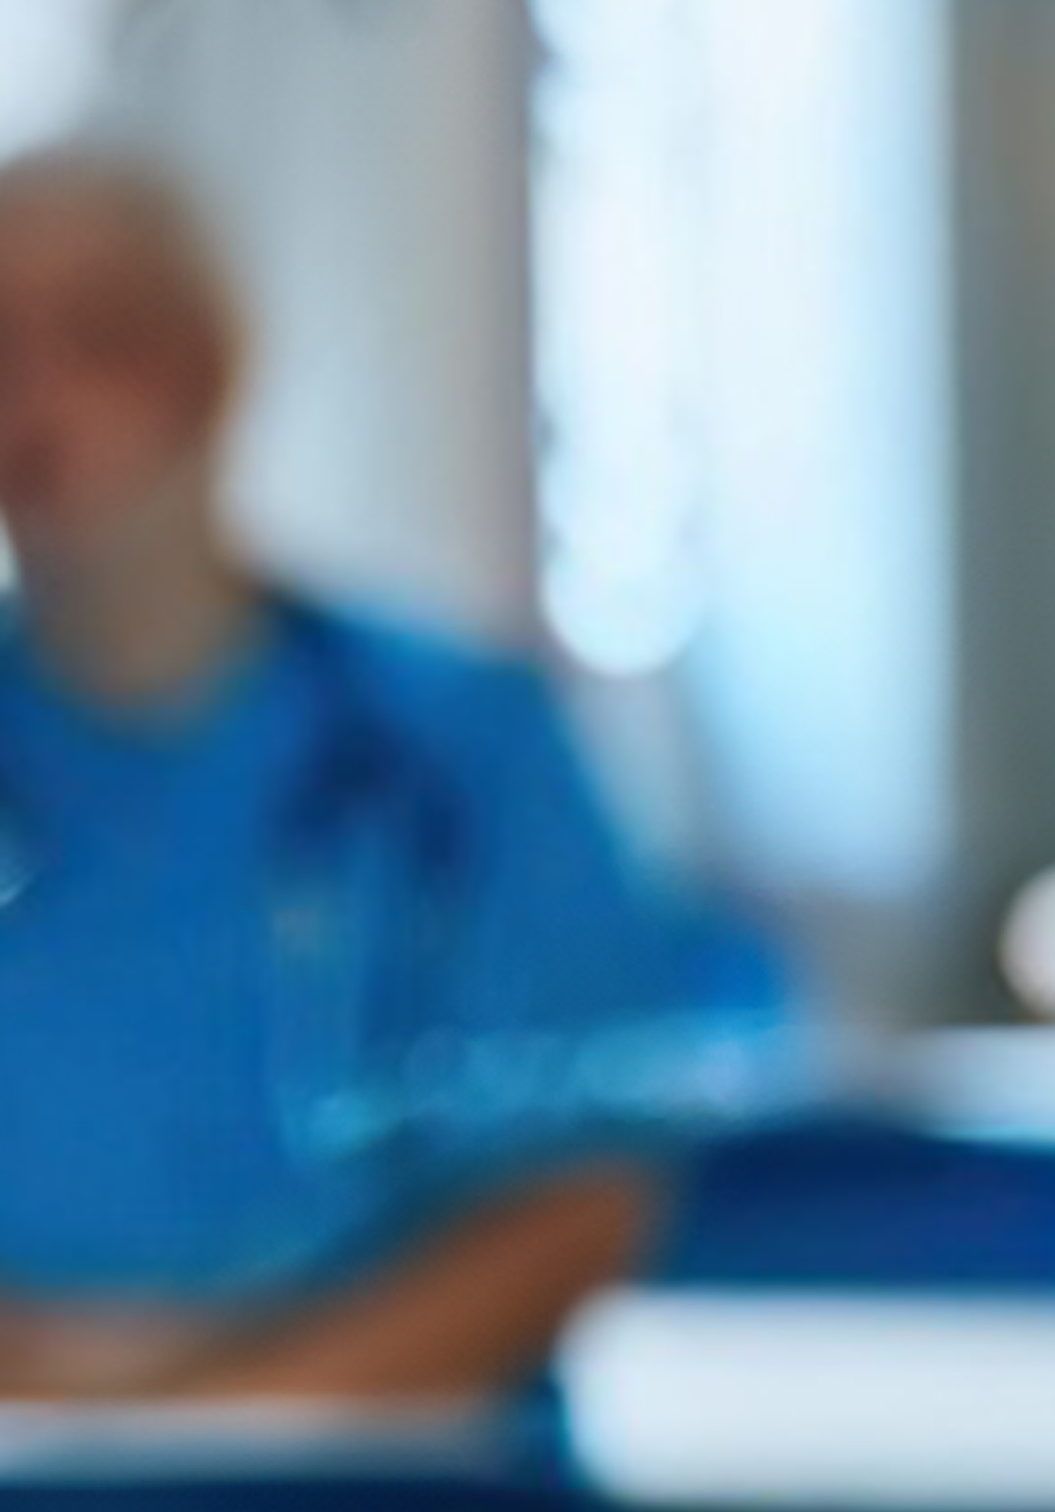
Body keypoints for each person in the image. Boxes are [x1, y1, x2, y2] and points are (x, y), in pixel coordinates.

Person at [0, 140, 764, 1402]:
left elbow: (586, 1195)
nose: (34, 402)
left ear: (208, 373)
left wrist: (220, 1422)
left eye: (99, 340)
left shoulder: (459, 750)